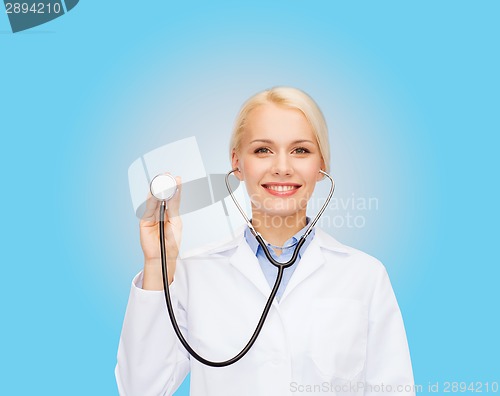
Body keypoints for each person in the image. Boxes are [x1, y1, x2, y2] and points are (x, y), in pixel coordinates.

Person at [115, 87, 415, 396]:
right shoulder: (193, 273)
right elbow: (140, 389)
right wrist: (156, 265)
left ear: (321, 166)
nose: (282, 167)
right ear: (237, 164)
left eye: (300, 150)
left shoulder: (364, 275)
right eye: (262, 150)